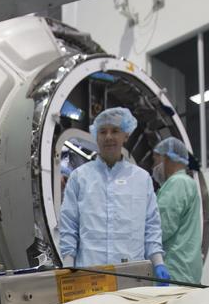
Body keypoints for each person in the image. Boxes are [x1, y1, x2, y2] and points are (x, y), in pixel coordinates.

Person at [58, 106, 169, 281]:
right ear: (96, 136)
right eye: (103, 131)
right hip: (90, 273)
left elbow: (151, 225)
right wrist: (68, 263)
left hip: (132, 273)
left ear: (126, 135)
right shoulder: (79, 178)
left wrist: (158, 262)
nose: (109, 137)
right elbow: (69, 224)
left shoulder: (141, 179)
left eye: (115, 131)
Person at [152, 137, 204, 285]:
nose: (154, 167)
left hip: (174, 270)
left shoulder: (178, 183)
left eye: (155, 161)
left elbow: (161, 227)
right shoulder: (187, 183)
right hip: (185, 270)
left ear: (167, 157)